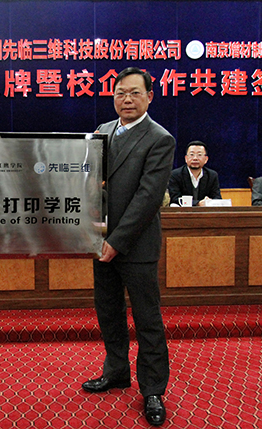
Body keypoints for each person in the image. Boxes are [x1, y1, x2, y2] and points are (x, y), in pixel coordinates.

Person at [82, 67, 175, 426]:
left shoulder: (159, 138)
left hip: (135, 246)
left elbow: (148, 198)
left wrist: (117, 242)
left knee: (147, 320)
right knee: (109, 312)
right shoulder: (103, 131)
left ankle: (152, 389)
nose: (127, 99)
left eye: (135, 93)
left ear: (150, 96)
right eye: (121, 93)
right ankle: (116, 371)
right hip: (100, 241)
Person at [168, 141, 221, 206]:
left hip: (205, 211)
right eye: (192, 155)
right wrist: (198, 203)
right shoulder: (175, 175)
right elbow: (174, 199)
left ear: (206, 159)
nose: (195, 158)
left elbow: (217, 198)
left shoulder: (212, 175)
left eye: (199, 155)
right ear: (186, 158)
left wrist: (209, 201)